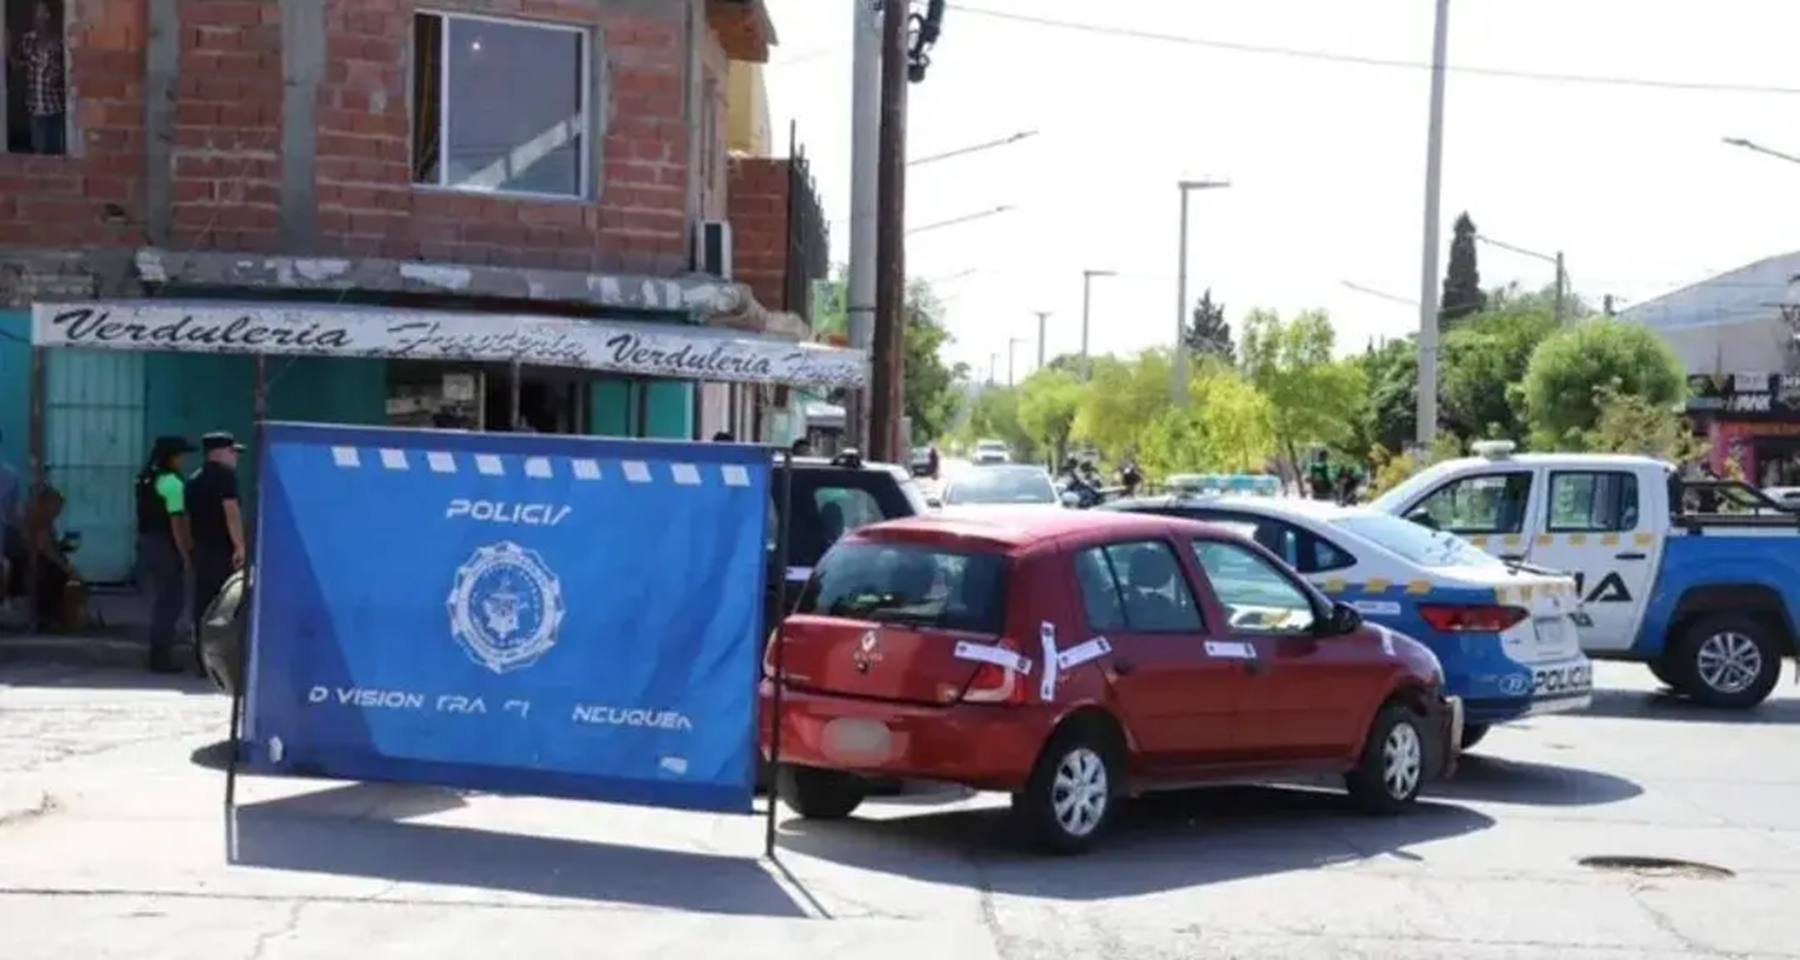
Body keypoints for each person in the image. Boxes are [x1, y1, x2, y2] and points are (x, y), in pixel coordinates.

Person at [186, 432, 245, 670]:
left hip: (202, 549)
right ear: (218, 452)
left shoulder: (194, 479)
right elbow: (231, 511)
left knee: (203, 604)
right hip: (223, 551)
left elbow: (188, 518)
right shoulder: (225, 478)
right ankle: (221, 658)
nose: (235, 457)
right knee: (227, 603)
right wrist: (240, 546)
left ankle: (202, 659)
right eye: (233, 452)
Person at [136, 435, 194, 673]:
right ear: (172, 456)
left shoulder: (147, 478)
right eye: (181, 455)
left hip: (147, 541)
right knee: (171, 601)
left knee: (163, 599)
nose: (184, 460)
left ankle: (158, 654)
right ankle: (160, 657)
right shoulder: (172, 483)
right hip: (165, 545)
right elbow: (177, 522)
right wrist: (186, 553)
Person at [11, 3, 66, 155]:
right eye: (40, 14)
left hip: (55, 108)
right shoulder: (28, 40)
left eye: (46, 14)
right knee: (39, 155)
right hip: (36, 109)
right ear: (34, 18)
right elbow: (16, 64)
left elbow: (68, 72)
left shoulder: (59, 42)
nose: (43, 18)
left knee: (57, 155)